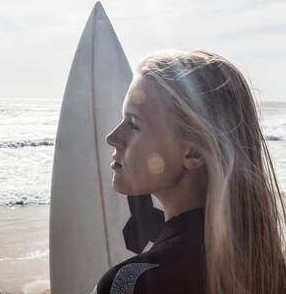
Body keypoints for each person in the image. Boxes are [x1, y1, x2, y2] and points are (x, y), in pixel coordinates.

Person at [94, 49, 286, 294]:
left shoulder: (134, 283)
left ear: (193, 153)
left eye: (133, 124)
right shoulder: (270, 271)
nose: (112, 138)